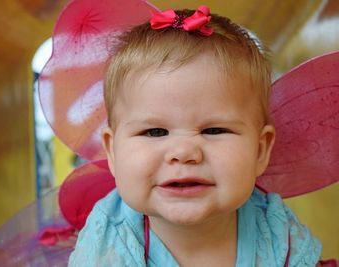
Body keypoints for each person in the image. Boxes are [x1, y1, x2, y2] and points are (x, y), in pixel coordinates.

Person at [67, 6, 323, 267]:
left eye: (214, 130)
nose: (184, 152)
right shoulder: (107, 245)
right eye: (155, 132)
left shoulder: (276, 232)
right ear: (112, 151)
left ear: (260, 150)